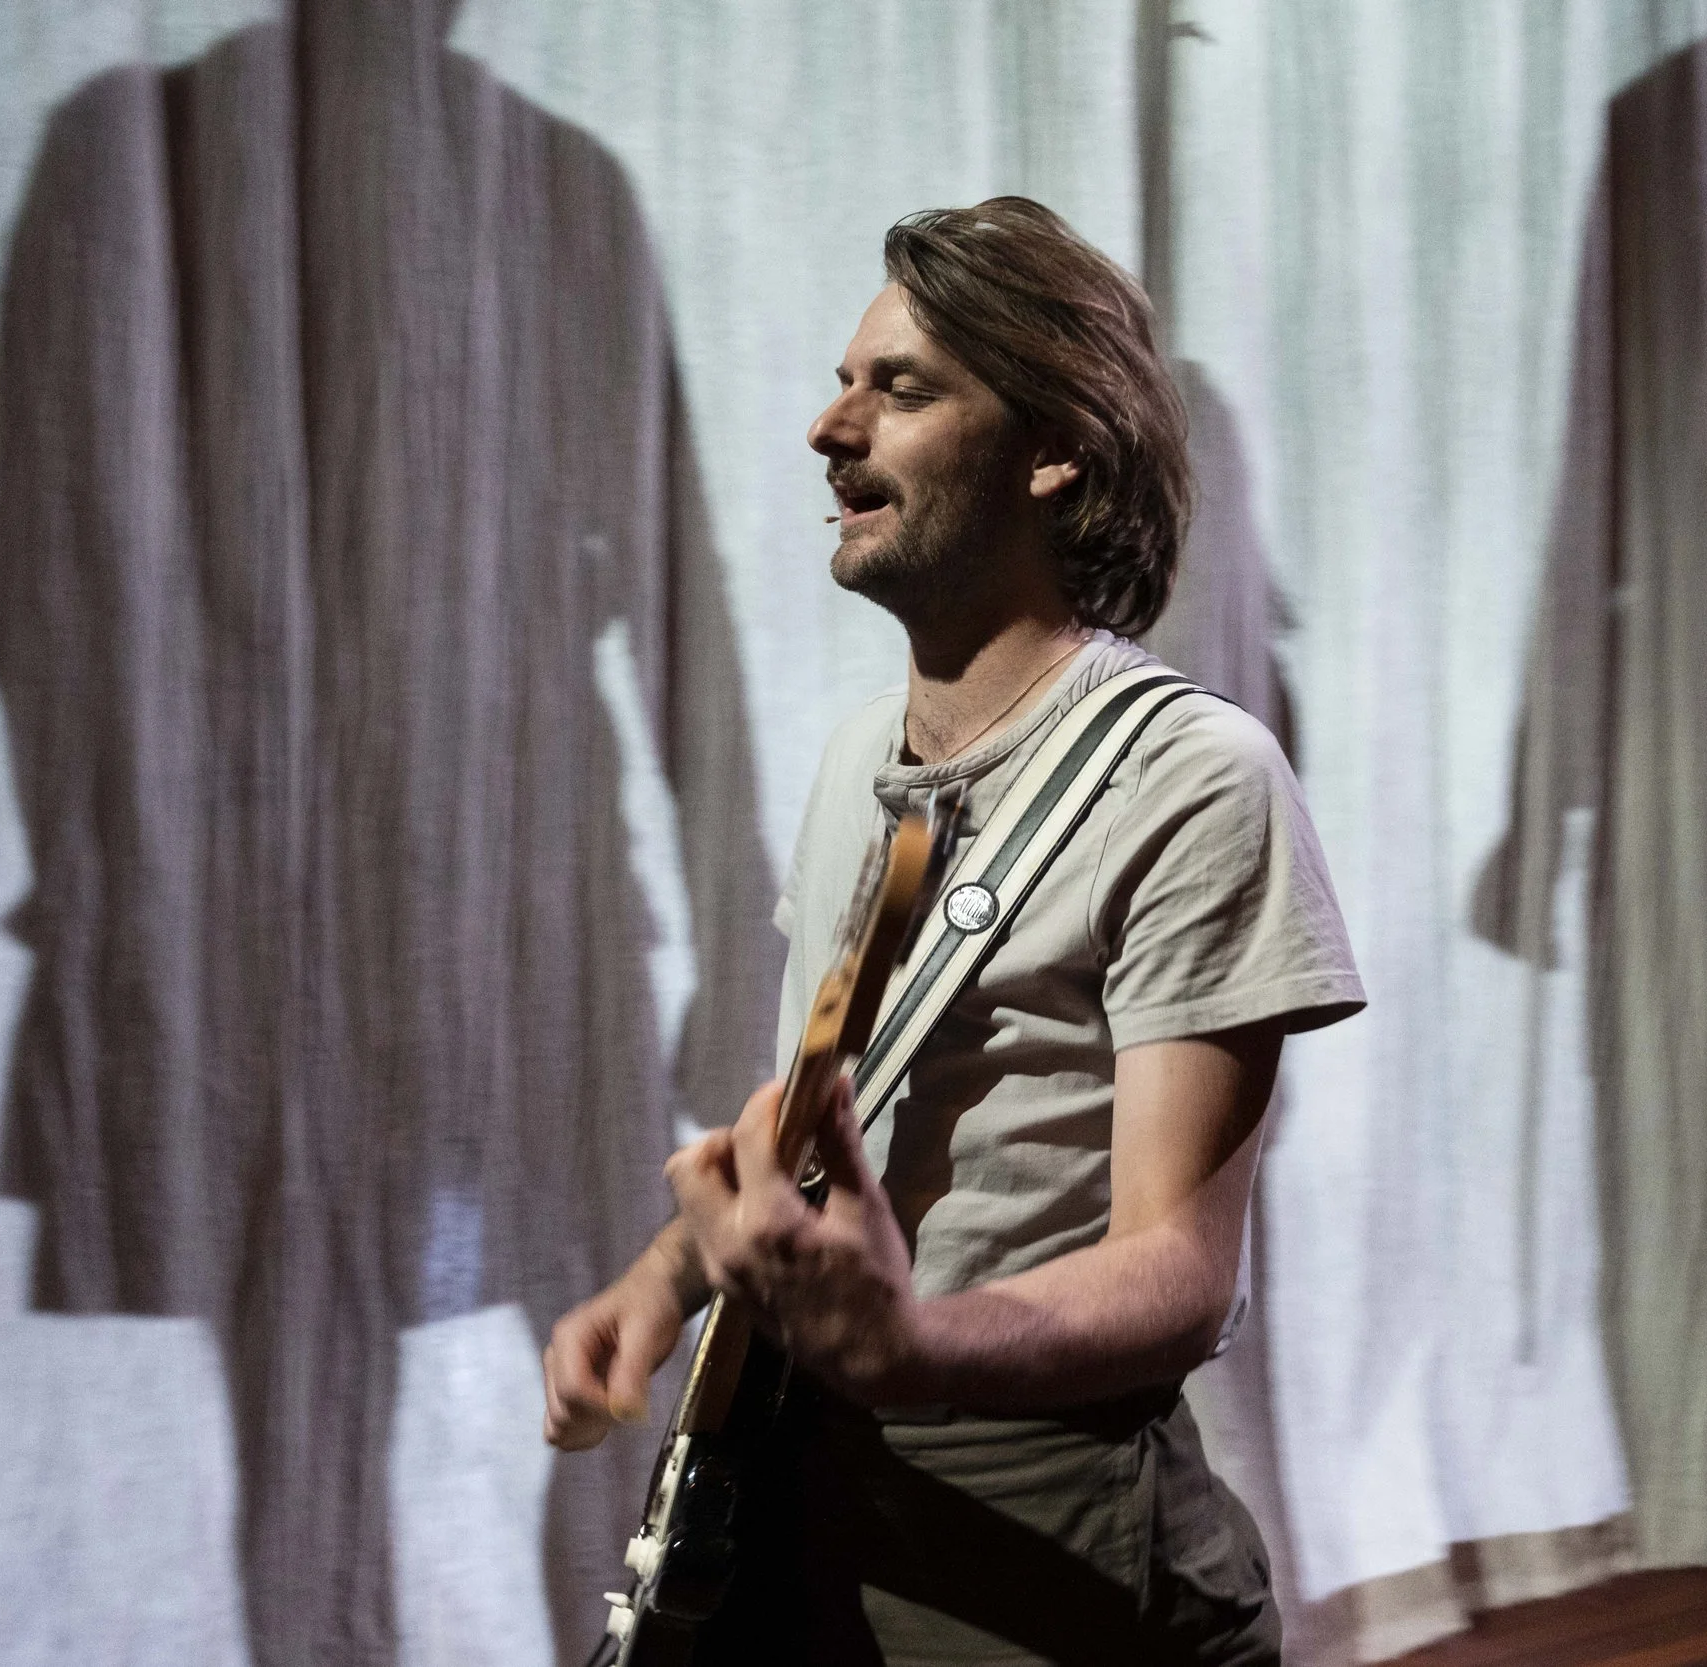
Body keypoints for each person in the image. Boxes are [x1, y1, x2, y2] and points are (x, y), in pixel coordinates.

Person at [542, 197, 1364, 1664]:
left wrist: (912, 1350)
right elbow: (825, 1106)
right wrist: (665, 1281)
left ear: (1054, 448)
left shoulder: (1191, 775)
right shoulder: (864, 753)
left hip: (1043, 1523)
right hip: (811, 1481)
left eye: (898, 389)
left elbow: (1183, 1266)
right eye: (843, 379)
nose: (826, 425)